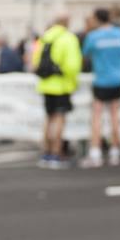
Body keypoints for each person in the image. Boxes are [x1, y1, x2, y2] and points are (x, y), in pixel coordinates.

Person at [81, 8, 120, 167]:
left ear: (96, 19)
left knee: (97, 117)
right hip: (119, 79)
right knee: (115, 116)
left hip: (101, 80)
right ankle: (115, 152)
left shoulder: (93, 36)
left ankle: (96, 153)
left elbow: (85, 53)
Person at [33, 14, 82, 169]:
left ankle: (46, 153)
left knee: (48, 119)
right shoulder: (68, 38)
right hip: (61, 85)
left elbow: (35, 62)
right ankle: (56, 153)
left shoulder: (45, 37)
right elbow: (73, 66)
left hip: (46, 85)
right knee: (59, 120)